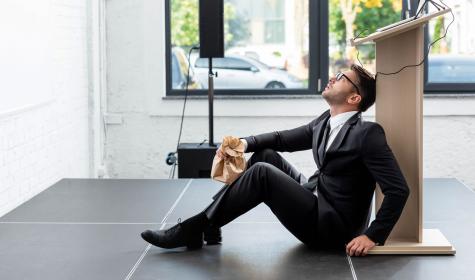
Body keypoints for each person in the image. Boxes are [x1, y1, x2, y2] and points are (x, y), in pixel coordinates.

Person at [141, 64, 410, 257]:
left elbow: (398, 189)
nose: (332, 77)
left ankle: (194, 227)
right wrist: (242, 144)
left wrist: (372, 235)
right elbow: (282, 139)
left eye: (341, 77)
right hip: (317, 196)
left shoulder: (367, 134)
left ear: (354, 98)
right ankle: (211, 228)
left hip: (331, 227)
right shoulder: (326, 122)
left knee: (262, 173)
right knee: (266, 156)